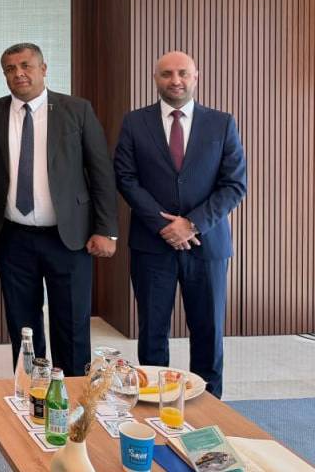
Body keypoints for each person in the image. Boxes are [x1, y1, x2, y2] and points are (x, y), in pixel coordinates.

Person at [0, 42, 118, 376]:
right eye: (10, 69)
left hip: (68, 236)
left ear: (43, 69)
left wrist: (106, 229)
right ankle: (32, 390)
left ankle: (74, 392)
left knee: (72, 323)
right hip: (13, 236)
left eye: (26, 66)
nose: (18, 74)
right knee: (22, 323)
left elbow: (100, 172)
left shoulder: (76, 110)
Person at [114, 51, 246, 398]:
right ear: (155, 79)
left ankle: (209, 405)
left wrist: (192, 224)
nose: (176, 80)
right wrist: (164, 226)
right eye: (167, 74)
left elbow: (234, 184)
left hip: (207, 245)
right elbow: (126, 178)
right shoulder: (134, 122)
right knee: (152, 332)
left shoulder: (221, 123)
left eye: (183, 73)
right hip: (151, 245)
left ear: (196, 77)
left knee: (208, 332)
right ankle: (155, 404)